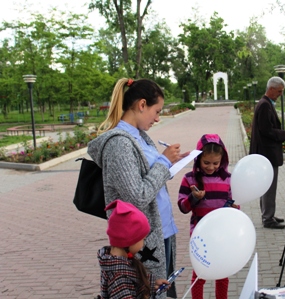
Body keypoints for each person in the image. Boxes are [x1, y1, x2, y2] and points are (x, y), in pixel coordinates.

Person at [88, 78, 187, 299]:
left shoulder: (140, 136)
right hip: (144, 240)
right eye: (156, 110)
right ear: (142, 105)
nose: (158, 118)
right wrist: (163, 163)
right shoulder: (119, 144)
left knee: (164, 291)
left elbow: (148, 178)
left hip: (161, 230)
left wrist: (171, 161)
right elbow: (137, 196)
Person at [177, 134, 239, 299]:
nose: (211, 167)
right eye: (206, 163)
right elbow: (182, 207)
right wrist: (194, 198)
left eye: (215, 163)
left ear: (222, 160)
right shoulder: (189, 179)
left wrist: (234, 207)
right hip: (200, 234)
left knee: (222, 273)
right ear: (198, 159)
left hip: (222, 234)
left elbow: (235, 204)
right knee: (200, 273)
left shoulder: (228, 179)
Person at [97, 199, 169, 299]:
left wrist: (152, 285)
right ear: (129, 241)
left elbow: (132, 280)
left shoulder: (117, 263)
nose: (144, 241)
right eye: (142, 238)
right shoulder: (119, 281)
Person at [249, 77, 285, 229]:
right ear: (271, 89)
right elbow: (266, 130)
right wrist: (283, 135)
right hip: (267, 155)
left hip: (265, 154)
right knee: (269, 187)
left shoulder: (265, 104)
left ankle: (269, 214)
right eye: (279, 91)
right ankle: (268, 218)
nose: (280, 94)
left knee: (266, 186)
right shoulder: (265, 105)